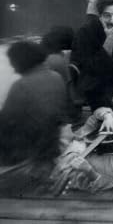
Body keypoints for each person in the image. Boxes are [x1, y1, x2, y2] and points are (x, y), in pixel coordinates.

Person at [0, 42, 67, 171]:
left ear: (21, 61)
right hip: (52, 141)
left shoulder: (21, 85)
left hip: (27, 147)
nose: (13, 68)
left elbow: (6, 121)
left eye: (13, 62)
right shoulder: (56, 76)